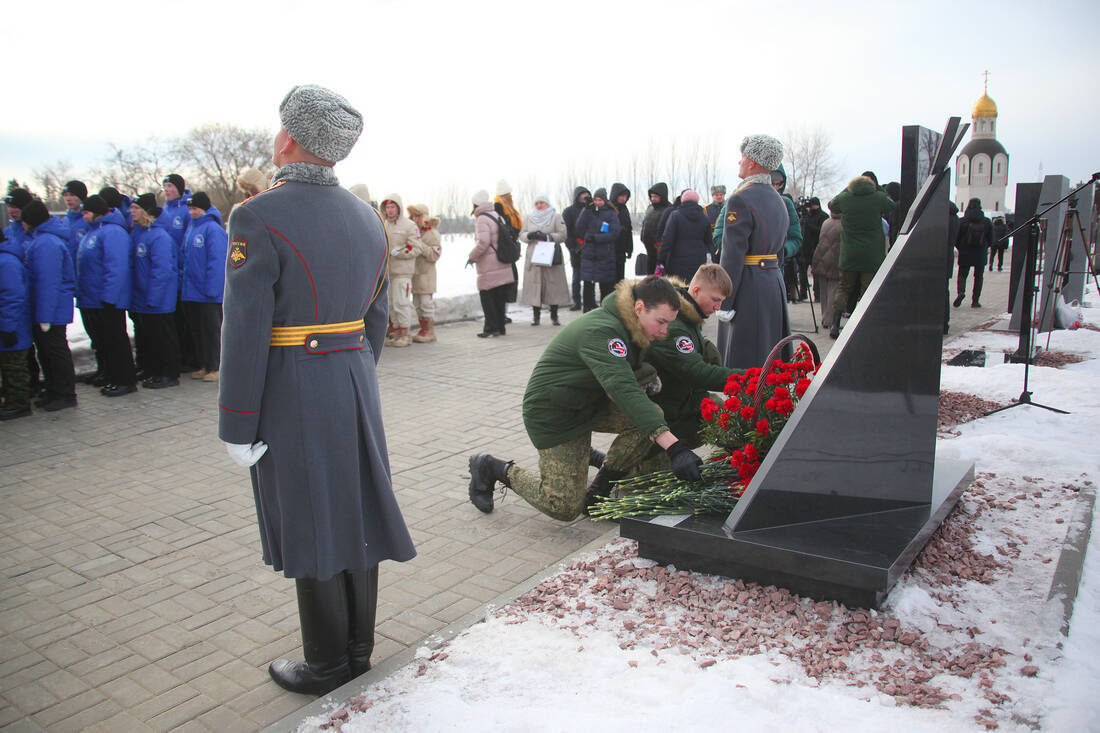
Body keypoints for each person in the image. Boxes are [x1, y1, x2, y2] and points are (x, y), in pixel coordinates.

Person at [219, 83, 415, 696]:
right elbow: (376, 315)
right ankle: (358, 649)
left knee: (310, 516)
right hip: (352, 378)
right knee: (354, 510)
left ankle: (327, 664)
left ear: (292, 138)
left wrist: (236, 422)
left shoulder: (259, 213)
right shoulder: (365, 217)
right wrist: (353, 369)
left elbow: (245, 326)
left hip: (293, 384)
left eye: (281, 128)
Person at [467, 275, 702, 521]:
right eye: (661, 322)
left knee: (648, 419)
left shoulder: (634, 326)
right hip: (555, 415)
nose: (665, 332)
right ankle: (492, 467)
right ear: (640, 308)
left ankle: (598, 490)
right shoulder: (603, 331)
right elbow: (624, 391)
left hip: (588, 406)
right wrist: (676, 448)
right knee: (564, 507)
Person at [583, 265, 739, 510]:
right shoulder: (675, 324)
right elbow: (697, 373)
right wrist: (752, 377)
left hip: (679, 410)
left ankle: (746, 461)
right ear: (696, 291)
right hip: (660, 421)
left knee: (717, 409)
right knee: (643, 481)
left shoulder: (688, 316)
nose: (719, 307)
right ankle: (599, 487)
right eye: (716, 300)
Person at [716, 134, 791, 370]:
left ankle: (748, 405)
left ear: (753, 162)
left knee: (745, 358)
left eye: (742, 157)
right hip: (772, 281)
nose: (739, 162)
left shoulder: (740, 199)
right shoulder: (779, 199)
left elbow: (732, 255)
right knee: (769, 353)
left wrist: (725, 300)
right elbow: (779, 251)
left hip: (748, 284)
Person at [19, 200, 77, 411]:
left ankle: (65, 393)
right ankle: (53, 389)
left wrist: (45, 315)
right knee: (45, 352)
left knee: (55, 351)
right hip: (46, 307)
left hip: (51, 310)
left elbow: (47, 282)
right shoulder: (40, 240)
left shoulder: (47, 244)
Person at [76, 195, 137, 396]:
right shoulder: (93, 232)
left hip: (108, 300)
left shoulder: (112, 233)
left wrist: (110, 297)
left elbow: (116, 267)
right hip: (93, 299)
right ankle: (111, 376)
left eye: (86, 212)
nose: (83, 216)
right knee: (104, 342)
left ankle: (125, 379)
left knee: (116, 341)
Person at [827, 174, 896, 338]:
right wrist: (877, 188)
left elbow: (832, 204)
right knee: (868, 290)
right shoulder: (878, 197)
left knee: (844, 288)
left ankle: (835, 325)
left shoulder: (846, 198)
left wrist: (848, 189)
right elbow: (891, 205)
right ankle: (865, 324)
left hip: (849, 254)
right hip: (871, 256)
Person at [129, 193, 180, 388]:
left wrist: (154, 297)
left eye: (136, 208)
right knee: (150, 338)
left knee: (163, 337)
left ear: (146, 212)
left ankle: (169, 373)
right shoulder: (139, 233)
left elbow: (162, 270)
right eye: (131, 208)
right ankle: (155, 371)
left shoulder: (159, 237)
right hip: (142, 298)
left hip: (158, 299)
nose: (131, 212)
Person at [181, 192, 227, 380]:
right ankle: (203, 364)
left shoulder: (213, 230)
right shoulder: (191, 229)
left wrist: (212, 289)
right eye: (190, 208)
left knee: (211, 331)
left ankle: (216, 366)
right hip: (192, 292)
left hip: (208, 293)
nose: (193, 212)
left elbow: (217, 262)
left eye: (196, 208)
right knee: (197, 331)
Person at [157, 173, 196, 371]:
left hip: (182, 271)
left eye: (171, 186)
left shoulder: (186, 211)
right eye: (165, 186)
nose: (167, 189)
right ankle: (179, 355)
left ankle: (189, 357)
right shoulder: (164, 211)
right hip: (169, 270)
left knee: (184, 319)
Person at [519, 193, 570, 326]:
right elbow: (522, 234)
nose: (539, 205)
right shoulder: (530, 218)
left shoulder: (556, 217)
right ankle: (536, 316)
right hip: (534, 257)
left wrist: (547, 237)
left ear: (547, 204)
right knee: (536, 287)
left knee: (553, 286)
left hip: (550, 256)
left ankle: (554, 315)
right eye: (537, 203)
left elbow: (563, 235)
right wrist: (530, 235)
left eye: (542, 203)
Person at [469, 189, 514, 337]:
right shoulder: (496, 215)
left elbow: (483, 242)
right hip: (502, 261)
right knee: (499, 298)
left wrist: (472, 256)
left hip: (489, 264)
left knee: (487, 297)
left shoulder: (482, 218)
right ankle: (500, 327)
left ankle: (490, 328)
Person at [379, 193, 422, 347]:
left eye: (392, 207)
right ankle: (396, 331)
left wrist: (401, 252)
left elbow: (417, 247)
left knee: (401, 303)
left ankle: (406, 334)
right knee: (391, 304)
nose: (390, 210)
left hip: (402, 271)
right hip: (388, 272)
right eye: (387, 207)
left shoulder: (409, 225)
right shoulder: (384, 225)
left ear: (398, 208)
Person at [0, 229, 33, 420]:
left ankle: (19, 404)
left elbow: (11, 298)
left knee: (14, 366)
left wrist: (7, 327)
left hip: (12, 326)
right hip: (7, 324)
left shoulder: (6, 263)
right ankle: (12, 400)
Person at [575, 187, 620, 312]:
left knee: (605, 285)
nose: (597, 202)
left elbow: (614, 233)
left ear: (605, 201)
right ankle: (587, 309)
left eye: (600, 200)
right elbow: (579, 228)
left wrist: (596, 238)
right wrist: (585, 210)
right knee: (588, 284)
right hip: (589, 254)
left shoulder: (611, 213)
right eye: (595, 200)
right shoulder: (588, 212)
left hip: (605, 254)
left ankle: (605, 310)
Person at [656, 189, 713, 281]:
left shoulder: (675, 216)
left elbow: (667, 239)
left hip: (677, 260)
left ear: (682, 200)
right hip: (698, 261)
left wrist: (661, 259)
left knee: (679, 289)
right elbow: (709, 242)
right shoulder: (705, 218)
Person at [407, 203, 442, 343]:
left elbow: (435, 255)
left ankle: (429, 330)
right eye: (413, 216)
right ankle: (423, 328)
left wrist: (420, 245)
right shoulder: (415, 232)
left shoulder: (432, 233)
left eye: (418, 216)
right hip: (415, 273)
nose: (415, 219)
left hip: (426, 274)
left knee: (425, 303)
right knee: (417, 303)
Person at [770, 165, 803, 302]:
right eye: (772, 183)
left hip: (777, 268)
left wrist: (784, 250)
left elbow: (795, 238)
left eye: (779, 184)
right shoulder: (741, 198)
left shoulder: (786, 203)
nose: (775, 187)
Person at [954, 197, 993, 309]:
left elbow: (956, 238)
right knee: (979, 277)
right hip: (980, 253)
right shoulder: (986, 221)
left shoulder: (962, 221)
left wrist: (960, 247)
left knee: (962, 274)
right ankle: (975, 301)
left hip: (965, 252)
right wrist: (985, 247)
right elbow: (991, 239)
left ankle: (961, 292)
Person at [811, 210, 842, 332]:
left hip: (821, 257)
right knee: (833, 290)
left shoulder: (826, 222)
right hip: (835, 259)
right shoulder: (844, 224)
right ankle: (830, 319)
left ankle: (824, 317)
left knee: (823, 291)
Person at [562, 186, 591, 309]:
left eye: (586, 193)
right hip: (576, 249)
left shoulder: (591, 209)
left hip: (590, 248)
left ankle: (590, 301)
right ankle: (576, 301)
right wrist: (572, 247)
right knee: (576, 277)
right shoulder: (569, 211)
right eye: (582, 194)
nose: (585, 196)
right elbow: (566, 231)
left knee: (589, 278)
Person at [799, 197, 828, 302]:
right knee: (802, 271)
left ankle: (818, 294)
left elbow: (822, 231)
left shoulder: (823, 216)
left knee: (816, 273)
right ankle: (803, 293)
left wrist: (809, 225)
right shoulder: (806, 217)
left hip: (816, 247)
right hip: (804, 248)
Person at [640, 182, 671, 275]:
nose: (653, 199)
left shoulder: (668, 209)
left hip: (660, 250)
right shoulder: (650, 208)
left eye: (656, 197)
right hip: (649, 249)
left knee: (660, 276)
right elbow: (645, 223)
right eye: (652, 196)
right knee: (650, 275)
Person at [61, 180, 90, 265]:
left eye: (72, 195)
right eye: (65, 195)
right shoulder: (63, 222)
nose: (68, 199)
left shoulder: (88, 220)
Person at [609, 182, 632, 282]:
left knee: (620, 278)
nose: (624, 199)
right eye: (621, 196)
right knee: (610, 278)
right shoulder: (608, 208)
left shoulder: (625, 209)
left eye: (625, 196)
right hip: (610, 248)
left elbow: (628, 229)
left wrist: (629, 247)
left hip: (621, 249)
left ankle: (619, 296)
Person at [3, 188, 32, 255]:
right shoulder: (6, 233)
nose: (10, 211)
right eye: (8, 206)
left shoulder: (38, 232)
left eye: (14, 207)